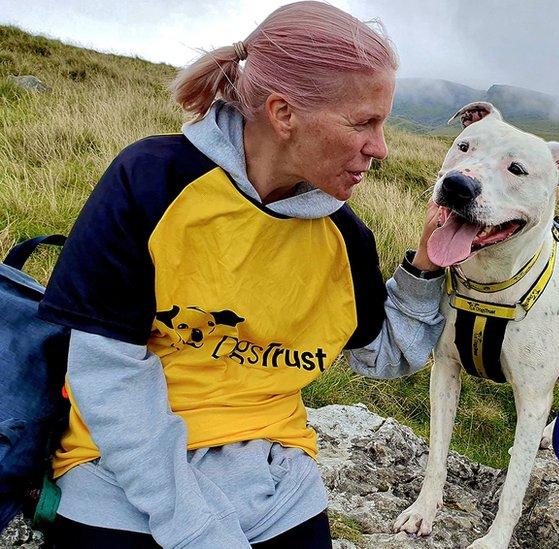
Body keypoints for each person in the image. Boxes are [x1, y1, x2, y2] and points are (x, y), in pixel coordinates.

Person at [35, 2, 444, 547]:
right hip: (121, 477)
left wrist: (428, 264)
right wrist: (195, 525)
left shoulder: (344, 238)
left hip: (275, 486)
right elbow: (106, 372)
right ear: (283, 114)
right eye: (363, 122)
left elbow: (382, 351)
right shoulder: (152, 183)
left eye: (384, 123)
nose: (381, 148)